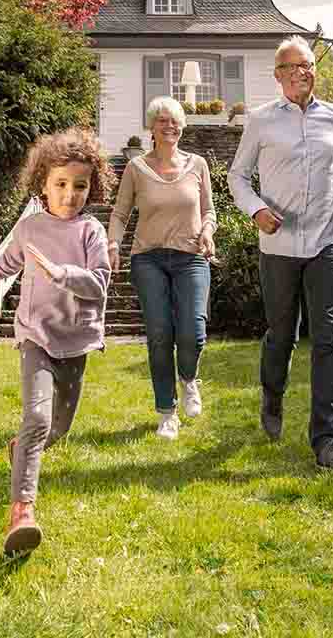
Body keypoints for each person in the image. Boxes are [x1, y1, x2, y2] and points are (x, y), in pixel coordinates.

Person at [0, 127, 113, 556]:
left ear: (92, 188)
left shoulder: (91, 232)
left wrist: (62, 274)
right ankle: (22, 513)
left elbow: (100, 284)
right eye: (60, 184)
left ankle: (19, 451)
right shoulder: (30, 228)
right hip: (36, 337)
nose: (70, 194)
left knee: (55, 429)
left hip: (76, 342)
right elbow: (6, 262)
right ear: (43, 185)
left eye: (80, 186)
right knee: (36, 418)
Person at [228, 35, 333, 476]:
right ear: (278, 76)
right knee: (281, 334)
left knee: (329, 335)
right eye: (290, 68)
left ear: (314, 69)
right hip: (279, 247)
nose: (300, 73)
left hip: (328, 241)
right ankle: (273, 393)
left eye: (306, 65)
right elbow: (237, 176)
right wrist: (257, 211)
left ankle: (329, 443)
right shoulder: (262, 121)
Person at [107, 96, 217, 441]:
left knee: (192, 331)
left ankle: (188, 378)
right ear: (151, 127)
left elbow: (210, 211)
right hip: (149, 258)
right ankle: (167, 413)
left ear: (182, 126)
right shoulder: (137, 168)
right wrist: (113, 244)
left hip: (191, 258)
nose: (170, 126)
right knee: (159, 335)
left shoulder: (198, 164)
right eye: (163, 121)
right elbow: (120, 214)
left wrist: (208, 231)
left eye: (175, 121)